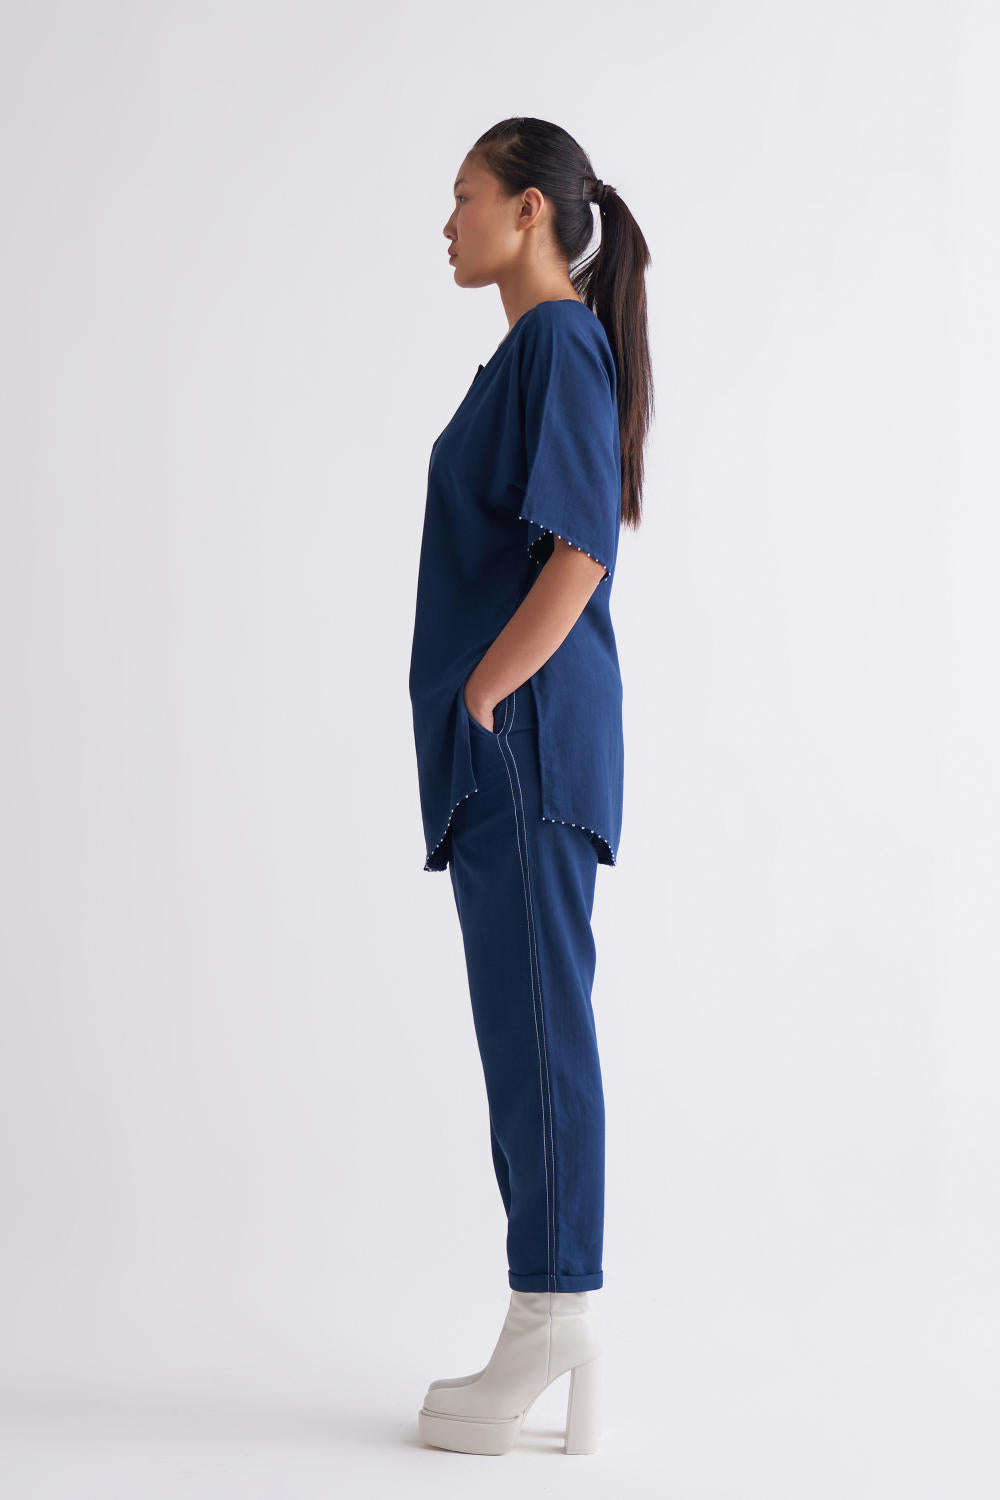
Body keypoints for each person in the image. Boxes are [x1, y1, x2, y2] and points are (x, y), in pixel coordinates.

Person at [408, 116, 654, 1457]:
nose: (446, 223)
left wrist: (485, 696)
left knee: (541, 1032)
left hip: (530, 745)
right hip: (515, 751)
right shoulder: (534, 350)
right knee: (526, 1031)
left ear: (530, 212)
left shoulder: (557, 338)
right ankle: (552, 1316)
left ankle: (556, 1309)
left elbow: (580, 552)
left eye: (463, 196)